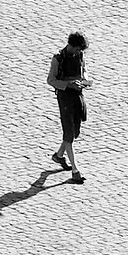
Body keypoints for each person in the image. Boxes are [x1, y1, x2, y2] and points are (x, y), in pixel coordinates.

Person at [47, 32, 90, 181]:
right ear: (71, 45)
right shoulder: (58, 59)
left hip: (77, 95)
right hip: (64, 98)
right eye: (78, 49)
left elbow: (83, 71)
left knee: (74, 132)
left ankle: (59, 156)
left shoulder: (80, 56)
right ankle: (75, 171)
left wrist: (84, 81)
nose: (79, 52)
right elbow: (51, 80)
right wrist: (67, 85)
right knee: (69, 133)